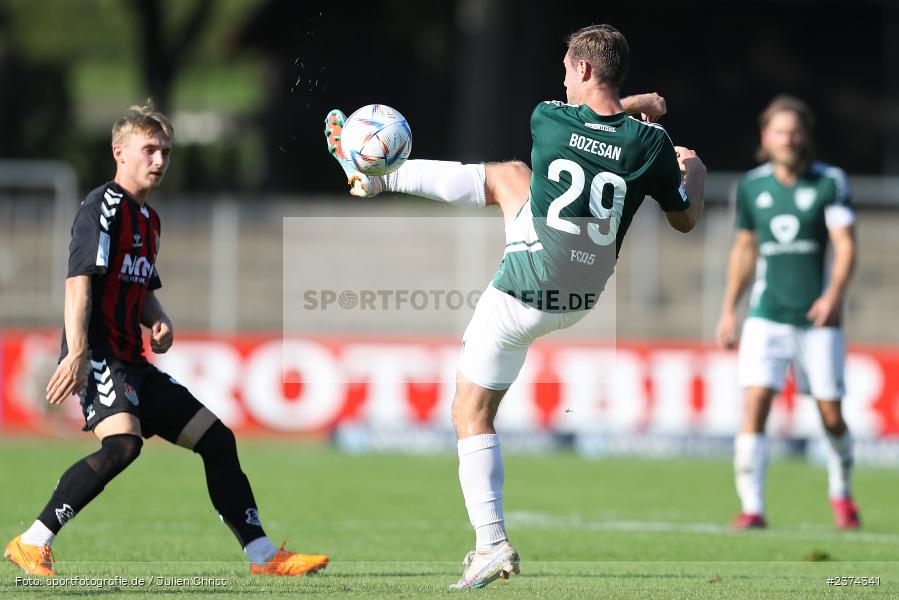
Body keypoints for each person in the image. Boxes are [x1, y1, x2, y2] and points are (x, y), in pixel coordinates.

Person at [325, 24, 705, 588]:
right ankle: (378, 178)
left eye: (566, 69)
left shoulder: (547, 117)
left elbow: (590, 125)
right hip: (578, 297)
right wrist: (692, 167)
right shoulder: (648, 146)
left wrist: (633, 103)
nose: (562, 79)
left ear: (580, 70)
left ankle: (491, 545)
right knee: (511, 178)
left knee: (469, 415)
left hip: (524, 286)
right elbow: (684, 217)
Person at [4, 103, 328, 577]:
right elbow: (79, 281)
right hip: (99, 355)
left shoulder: (148, 220)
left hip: (132, 362)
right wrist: (76, 352)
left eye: (166, 152)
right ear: (120, 152)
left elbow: (142, 284)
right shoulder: (103, 207)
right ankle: (33, 541)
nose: (159, 160)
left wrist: (159, 318)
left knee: (217, 439)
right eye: (149, 149)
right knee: (122, 446)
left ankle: (262, 556)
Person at [715, 95, 859, 530]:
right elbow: (744, 250)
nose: (788, 139)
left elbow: (846, 244)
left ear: (806, 136)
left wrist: (833, 294)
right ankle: (753, 507)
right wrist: (728, 311)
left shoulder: (829, 181)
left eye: (795, 131)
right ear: (766, 137)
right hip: (766, 314)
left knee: (830, 414)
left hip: (818, 320)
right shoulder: (753, 186)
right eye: (780, 131)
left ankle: (841, 492)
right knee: (756, 401)